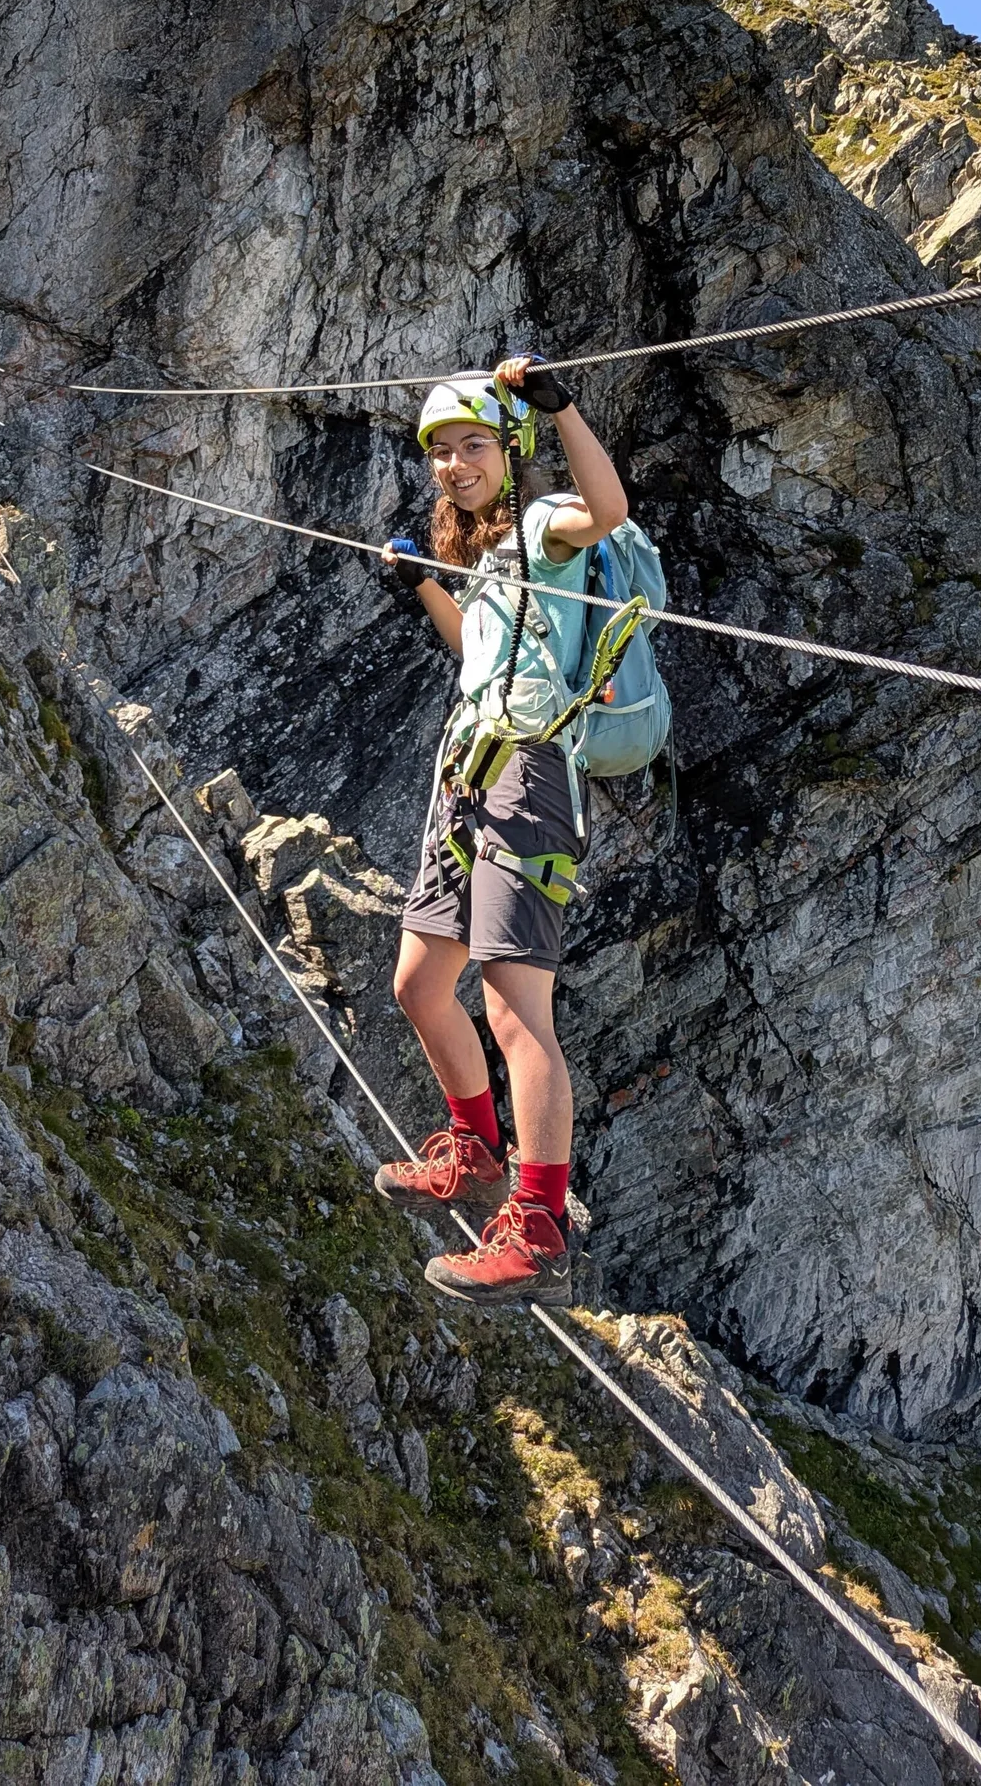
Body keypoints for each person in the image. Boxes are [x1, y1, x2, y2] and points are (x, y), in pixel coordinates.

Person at [374, 356, 628, 1307]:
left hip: (527, 779)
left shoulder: (539, 527)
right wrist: (421, 590)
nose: (453, 464)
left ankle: (539, 1227)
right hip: (470, 774)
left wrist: (559, 410)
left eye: (472, 445)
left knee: (517, 1010)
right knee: (419, 982)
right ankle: (476, 1151)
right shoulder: (487, 560)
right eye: (441, 452)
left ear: (508, 452)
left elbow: (604, 509)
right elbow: (473, 654)